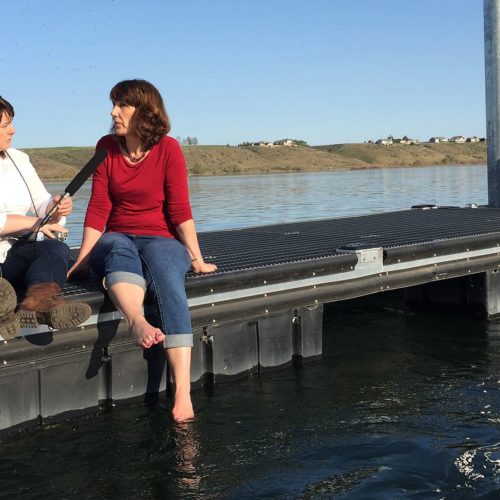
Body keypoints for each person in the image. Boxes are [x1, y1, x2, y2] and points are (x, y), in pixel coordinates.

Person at [69, 79, 217, 422]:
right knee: (116, 247)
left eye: (122, 105)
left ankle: (182, 392)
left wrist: (196, 257)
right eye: (114, 104)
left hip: (161, 238)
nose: (113, 111)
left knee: (166, 270)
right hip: (118, 234)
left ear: (144, 111)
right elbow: (98, 208)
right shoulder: (106, 147)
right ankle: (137, 322)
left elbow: (180, 210)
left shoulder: (168, 149)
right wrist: (81, 259)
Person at [0, 96, 91, 340]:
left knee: (53, 248)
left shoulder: (19, 159)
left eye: (11, 123)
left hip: (11, 254)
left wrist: (54, 206)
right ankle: (5, 310)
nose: (13, 130)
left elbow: (40, 202)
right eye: (4, 125)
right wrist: (33, 222)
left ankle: (38, 303)